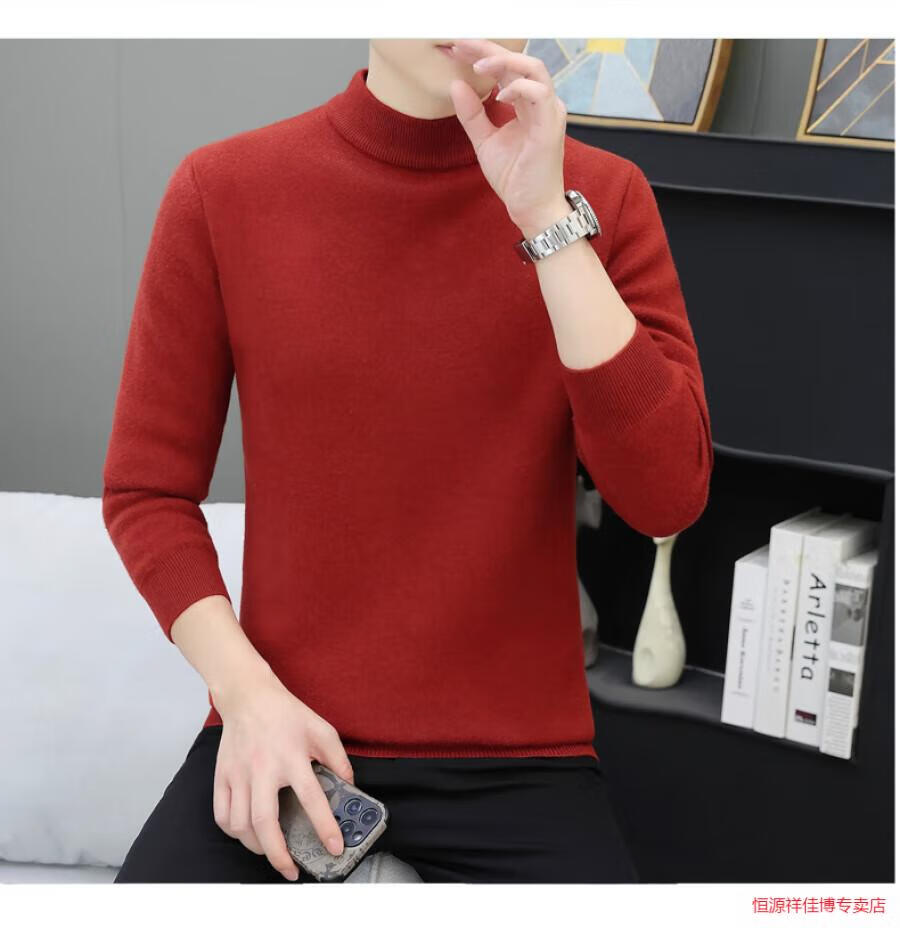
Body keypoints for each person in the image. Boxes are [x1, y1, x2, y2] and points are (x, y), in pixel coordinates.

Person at [102, 37, 712, 883]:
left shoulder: (602, 195)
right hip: (284, 735)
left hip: (523, 762)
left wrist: (546, 219)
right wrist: (246, 696)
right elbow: (147, 491)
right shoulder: (224, 189)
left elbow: (668, 497)